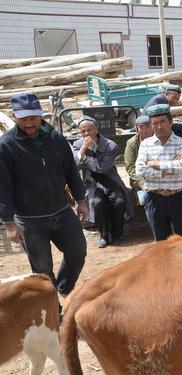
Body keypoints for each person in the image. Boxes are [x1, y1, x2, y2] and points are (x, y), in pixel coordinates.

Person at [0, 92, 87, 297]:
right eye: (23, 118)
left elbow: (71, 172)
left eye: (33, 117)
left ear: (41, 114)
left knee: (78, 252)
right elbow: (2, 187)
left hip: (62, 212)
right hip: (30, 220)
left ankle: (64, 289)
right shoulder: (6, 146)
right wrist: (8, 223)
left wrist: (81, 200)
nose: (29, 123)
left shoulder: (56, 138)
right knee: (42, 269)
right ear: (14, 116)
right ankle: (52, 308)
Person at [135, 104, 182, 241]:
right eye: (155, 123)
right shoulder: (146, 144)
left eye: (162, 121)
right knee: (162, 244)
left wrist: (156, 164)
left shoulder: (181, 142)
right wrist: (164, 172)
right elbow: (140, 169)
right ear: (151, 125)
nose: (159, 126)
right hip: (154, 199)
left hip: (178, 197)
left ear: (171, 122)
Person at [72, 116, 134, 248]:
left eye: (89, 130)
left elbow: (104, 168)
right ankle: (104, 235)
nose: (86, 134)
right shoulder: (78, 145)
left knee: (120, 201)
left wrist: (86, 159)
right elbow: (74, 167)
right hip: (92, 182)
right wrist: (83, 149)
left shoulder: (109, 145)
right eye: (83, 131)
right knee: (98, 203)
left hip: (109, 179)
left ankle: (117, 234)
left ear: (96, 130)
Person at [143, 84, 182, 171]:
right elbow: (155, 121)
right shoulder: (158, 101)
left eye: (177, 99)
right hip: (155, 128)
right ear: (167, 94)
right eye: (174, 97)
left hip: (163, 125)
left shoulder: (163, 101)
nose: (175, 101)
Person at [124, 115, 155, 232]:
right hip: (140, 181)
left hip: (158, 178)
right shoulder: (132, 143)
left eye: (148, 126)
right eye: (141, 127)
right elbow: (130, 167)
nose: (145, 130)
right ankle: (156, 232)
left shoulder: (159, 140)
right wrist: (142, 183)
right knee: (148, 199)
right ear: (137, 129)